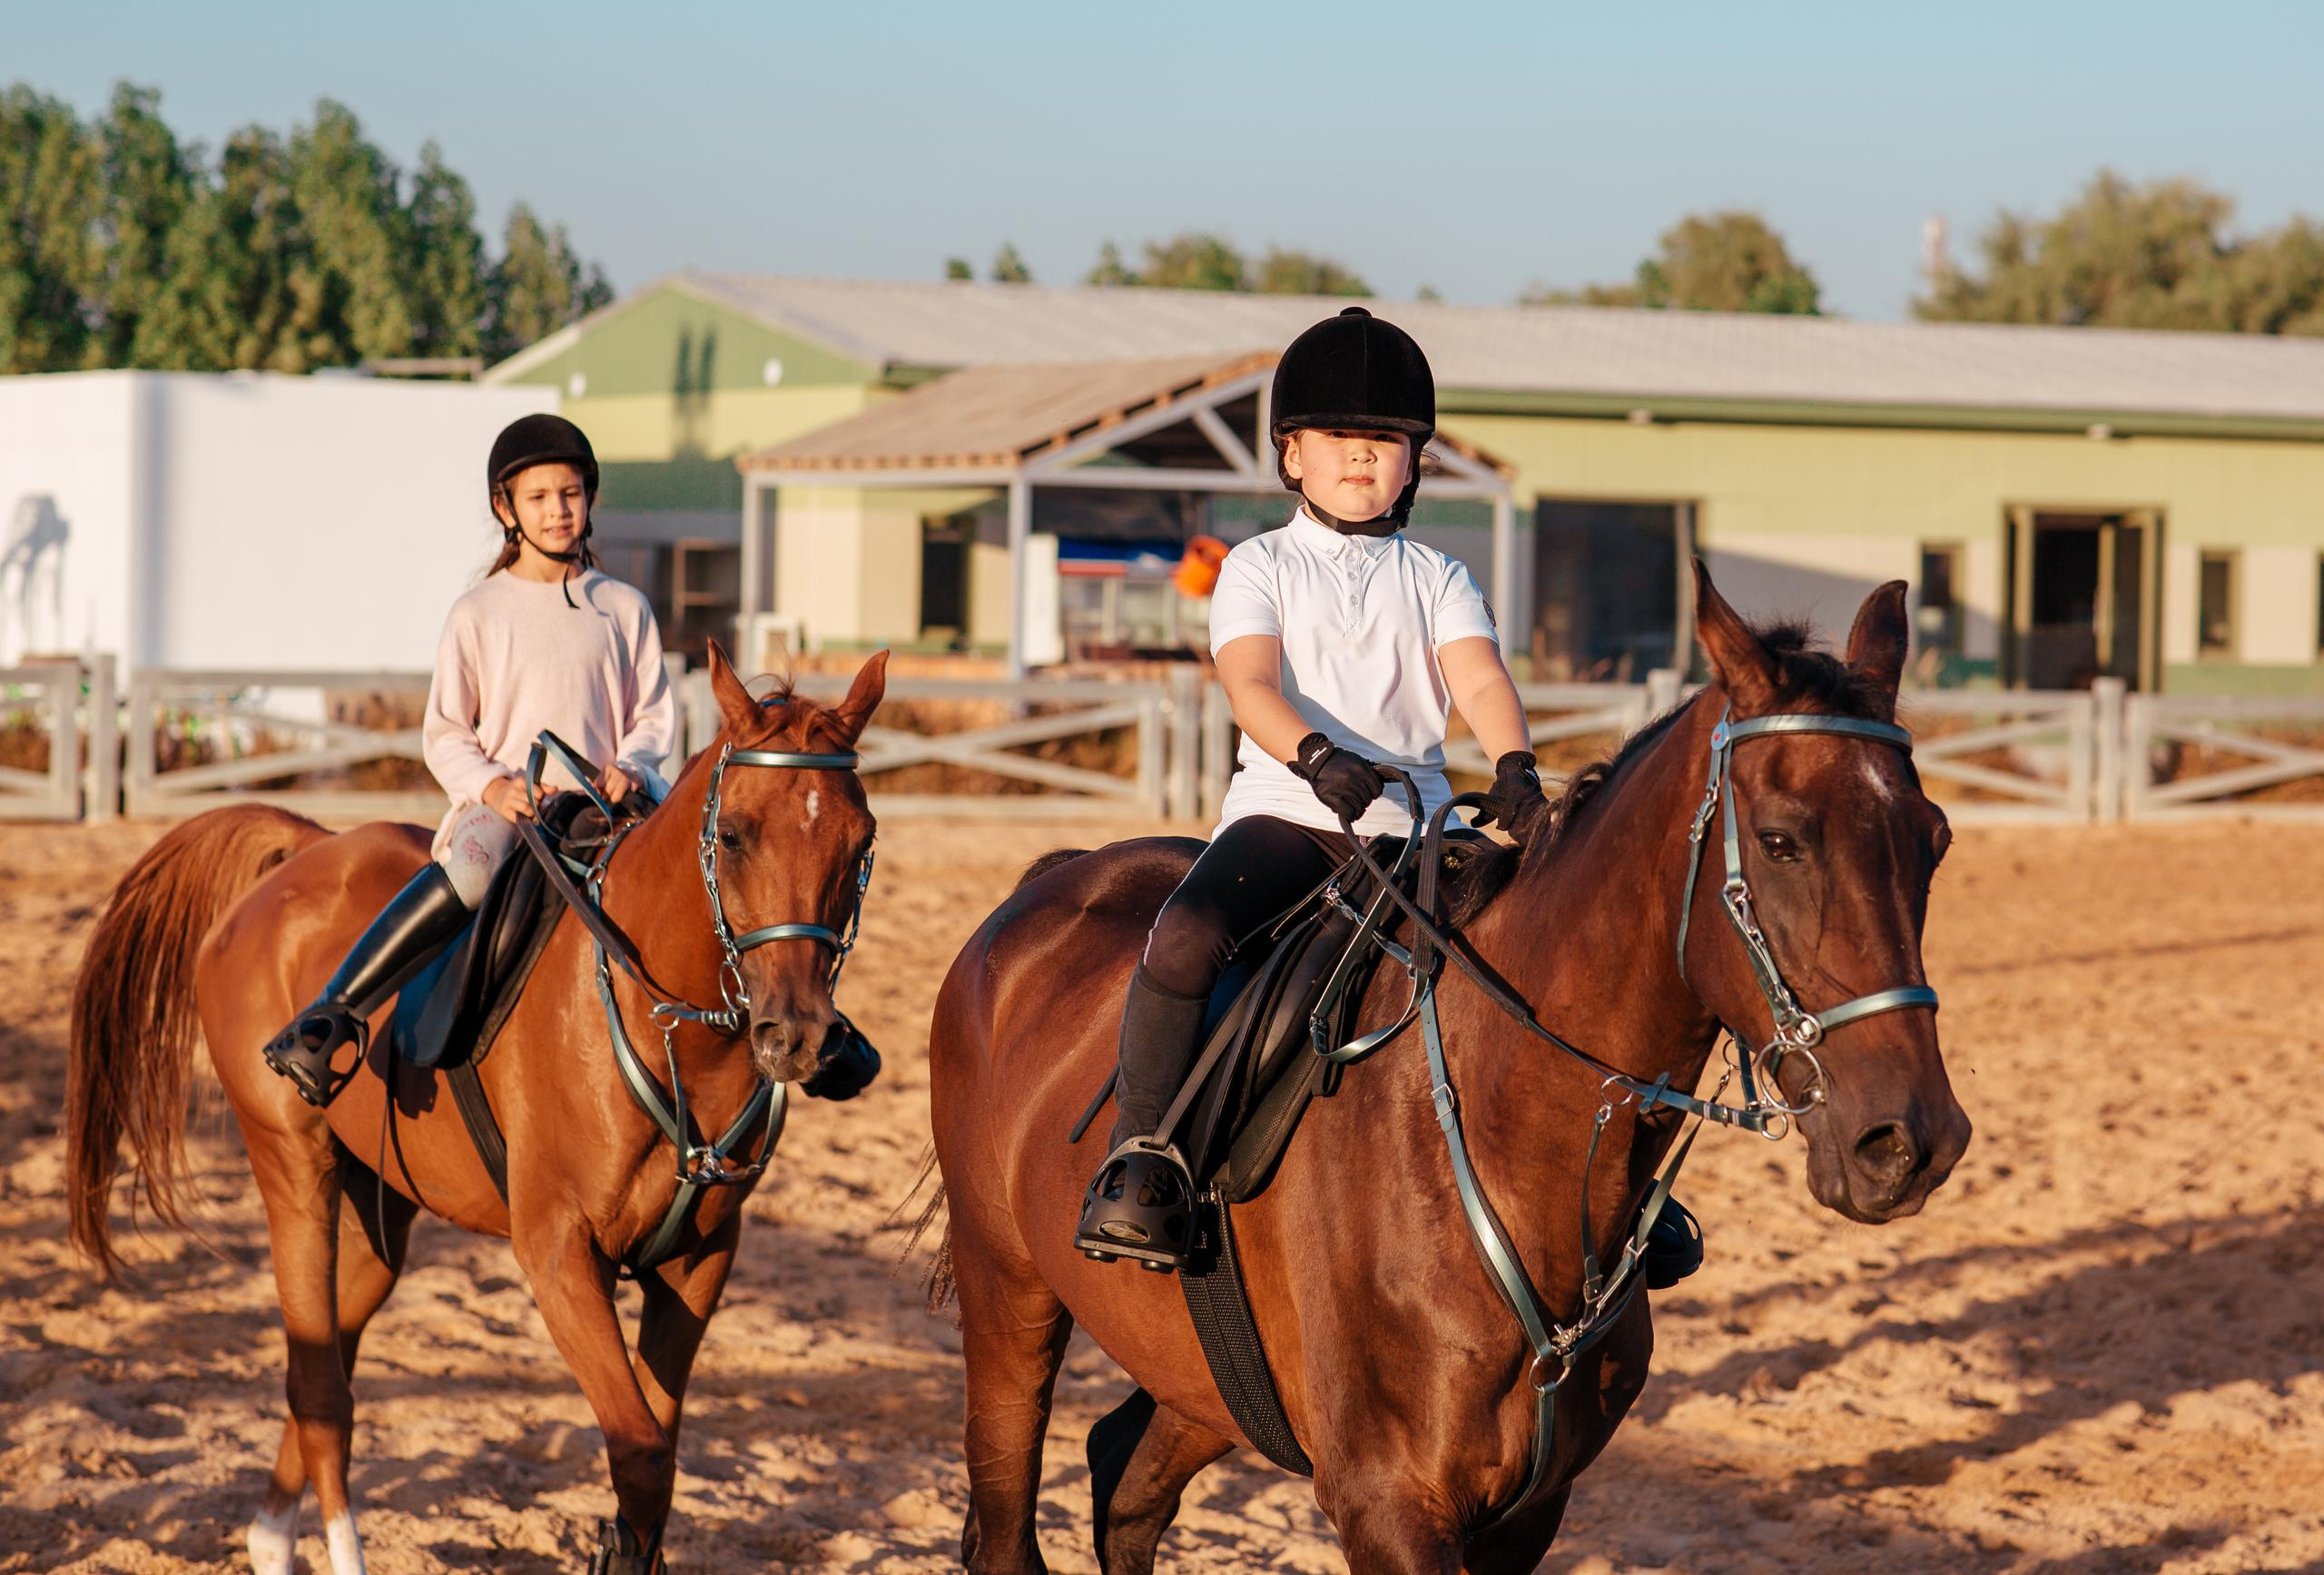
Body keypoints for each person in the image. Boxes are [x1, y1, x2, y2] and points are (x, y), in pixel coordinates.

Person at [1073, 307, 1549, 1272]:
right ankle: (1144, 1152)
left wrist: (1513, 768)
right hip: (1294, 814)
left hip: (1413, 829)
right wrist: (1316, 754)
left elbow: (1482, 679)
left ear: (1414, 463)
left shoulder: (1439, 574)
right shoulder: (1258, 565)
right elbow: (1248, 682)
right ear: (1292, 457)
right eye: (1340, 438)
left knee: (1544, 947)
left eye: (1386, 441)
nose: (1363, 458)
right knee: (1186, 933)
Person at [261, 414, 678, 1107]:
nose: (558, 510)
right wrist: (491, 787)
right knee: (473, 872)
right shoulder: (479, 611)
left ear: (589, 498)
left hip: (611, 803)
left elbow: (655, 713)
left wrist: (632, 764)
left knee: (700, 870)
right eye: (539, 496)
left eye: (570, 493)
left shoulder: (625, 607)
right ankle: (334, 1012)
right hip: (519, 810)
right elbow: (446, 731)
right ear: (504, 507)